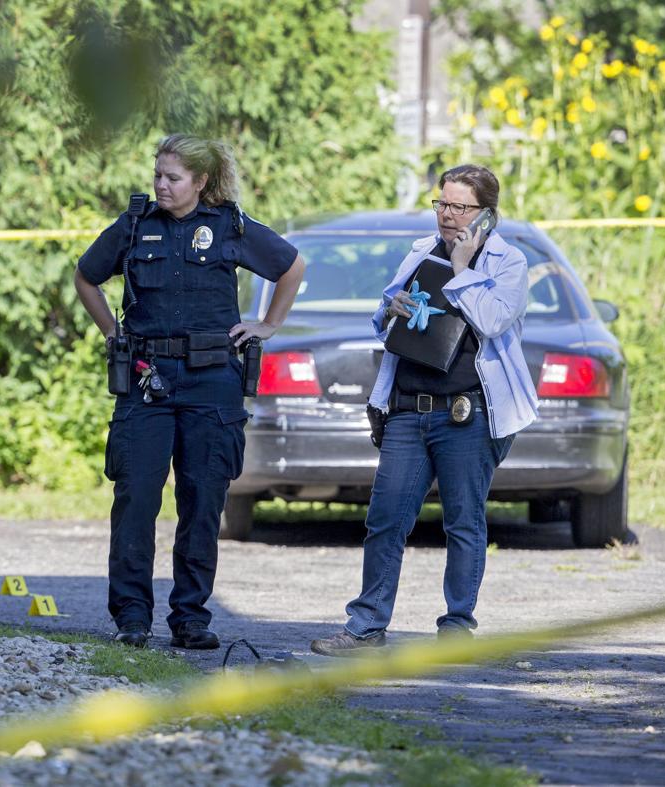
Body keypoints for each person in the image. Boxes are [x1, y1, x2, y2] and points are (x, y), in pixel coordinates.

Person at [74, 134, 305, 649]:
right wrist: (112, 332)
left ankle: (190, 618)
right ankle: (132, 617)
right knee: (135, 497)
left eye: (173, 177)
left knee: (202, 500)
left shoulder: (230, 226)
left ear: (200, 181)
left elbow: (292, 267)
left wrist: (268, 324)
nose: (162, 185)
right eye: (158, 174)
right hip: (146, 379)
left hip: (211, 379)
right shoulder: (136, 224)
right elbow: (86, 277)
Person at [311, 163, 538, 656]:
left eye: (460, 207)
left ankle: (456, 629)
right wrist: (389, 308)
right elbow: (382, 319)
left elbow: (493, 320)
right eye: (442, 203)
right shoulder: (420, 251)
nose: (447, 215)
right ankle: (366, 627)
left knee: (463, 523)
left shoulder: (508, 262)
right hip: (408, 410)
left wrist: (462, 268)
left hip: (467, 414)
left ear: (486, 214)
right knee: (385, 519)